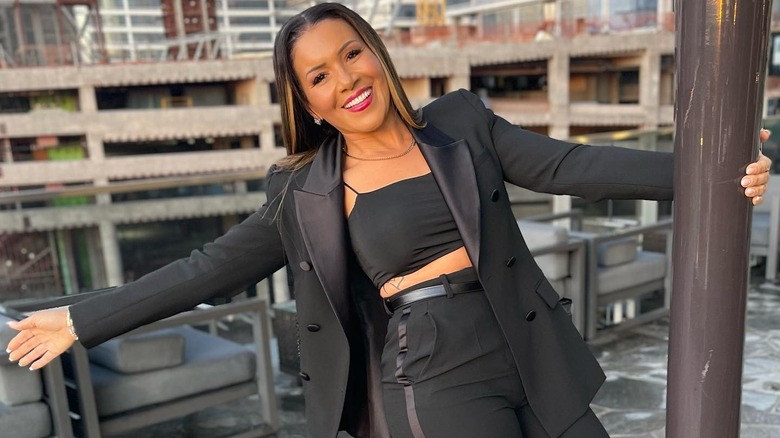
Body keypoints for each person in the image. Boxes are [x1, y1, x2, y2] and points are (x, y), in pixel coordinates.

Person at [5, 3, 773, 437]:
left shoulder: (462, 123)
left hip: (527, 342)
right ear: (306, 103)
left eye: (351, 55)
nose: (345, 80)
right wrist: (83, 317)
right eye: (319, 76)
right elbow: (208, 267)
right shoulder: (303, 190)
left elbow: (570, 167)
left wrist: (710, 175)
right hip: (431, 373)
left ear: (375, 51)